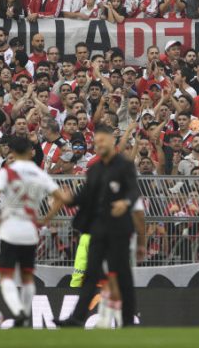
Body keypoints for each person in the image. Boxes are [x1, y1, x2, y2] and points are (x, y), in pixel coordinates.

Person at [59, 124, 143, 328]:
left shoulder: (124, 166)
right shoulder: (94, 169)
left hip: (119, 229)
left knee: (123, 276)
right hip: (97, 227)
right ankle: (77, 318)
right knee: (91, 274)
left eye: (102, 141)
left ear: (112, 142)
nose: (99, 145)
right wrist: (69, 199)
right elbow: (85, 196)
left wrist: (125, 202)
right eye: (96, 142)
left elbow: (133, 191)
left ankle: (127, 321)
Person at [0, 136, 69, 326]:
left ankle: (18, 311)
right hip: (30, 230)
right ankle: (24, 317)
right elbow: (60, 197)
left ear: (12, 152)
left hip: (9, 228)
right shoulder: (39, 173)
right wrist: (46, 219)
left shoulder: (7, 172)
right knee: (26, 275)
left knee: (6, 275)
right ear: (31, 151)